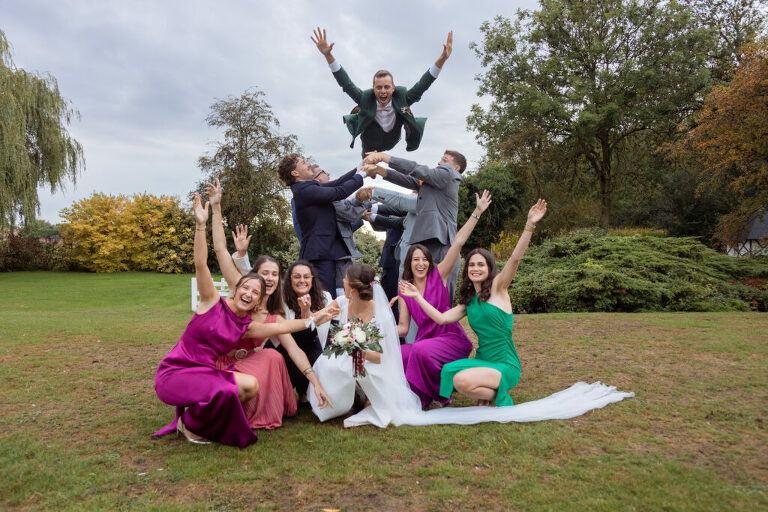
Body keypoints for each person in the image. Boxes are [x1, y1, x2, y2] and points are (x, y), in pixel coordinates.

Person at [152, 191, 338, 448]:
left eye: (273, 276)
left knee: (265, 365)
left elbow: (286, 330)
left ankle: (211, 418)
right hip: (188, 369)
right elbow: (207, 260)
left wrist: (314, 323)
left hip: (218, 371)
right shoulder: (214, 301)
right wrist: (206, 219)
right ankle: (193, 420)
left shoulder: (251, 324)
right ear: (238, 286)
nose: (255, 289)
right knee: (241, 377)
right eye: (260, 277)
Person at [209, 180, 336, 428]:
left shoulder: (275, 314)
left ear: (279, 280)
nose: (269, 278)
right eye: (264, 273)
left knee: (271, 355)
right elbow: (220, 250)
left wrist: (316, 383)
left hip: (247, 364)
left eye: (274, 274)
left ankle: (262, 401)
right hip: (219, 362)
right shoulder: (241, 289)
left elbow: (294, 350)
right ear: (255, 274)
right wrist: (215, 209)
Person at [399, 200, 548, 407]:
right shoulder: (468, 302)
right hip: (482, 359)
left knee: (460, 380)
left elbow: (514, 260)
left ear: (489, 268)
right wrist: (417, 297)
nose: (475, 268)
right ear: (467, 270)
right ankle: (488, 394)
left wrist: (529, 225)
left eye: (481, 265)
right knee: (450, 373)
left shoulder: (499, 287)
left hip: (505, 362)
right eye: (471, 265)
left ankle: (497, 396)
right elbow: (441, 318)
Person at [394, 190, 492, 408]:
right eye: (415, 260)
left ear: (430, 262)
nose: (420, 264)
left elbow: (457, 243)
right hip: (424, 340)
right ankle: (421, 397)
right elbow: (402, 328)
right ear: (409, 263)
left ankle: (441, 395)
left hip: (450, 339)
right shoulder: (405, 290)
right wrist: (379, 331)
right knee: (401, 352)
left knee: (419, 351)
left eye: (424, 260)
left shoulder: (439, 275)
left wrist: (477, 212)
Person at [312, 27, 452, 155]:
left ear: (393, 88)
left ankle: (406, 127)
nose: (383, 91)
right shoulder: (365, 98)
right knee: (368, 172)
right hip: (369, 144)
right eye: (379, 87)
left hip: (391, 141)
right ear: (374, 89)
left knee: (409, 115)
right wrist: (328, 56)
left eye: (386, 87)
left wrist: (442, 59)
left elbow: (424, 84)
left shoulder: (402, 97)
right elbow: (345, 83)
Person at [364, 149, 466, 299]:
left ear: (456, 169)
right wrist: (381, 171)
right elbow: (410, 180)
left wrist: (383, 157)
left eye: (444, 160)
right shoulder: (435, 185)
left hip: (444, 250)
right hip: (431, 248)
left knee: (439, 303)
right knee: (415, 302)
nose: (439, 162)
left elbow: (417, 169)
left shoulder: (450, 176)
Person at [277, 153, 365, 298]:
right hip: (318, 255)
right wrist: (362, 175)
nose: (308, 164)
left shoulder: (308, 187)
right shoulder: (304, 191)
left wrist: (359, 168)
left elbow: (336, 183)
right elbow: (339, 192)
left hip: (325, 252)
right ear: (295, 173)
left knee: (330, 296)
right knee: (324, 297)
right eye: (303, 162)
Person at [274, 260, 335, 405]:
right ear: (290, 279)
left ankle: (304, 392)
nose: (302, 280)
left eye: (306, 277)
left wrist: (306, 312)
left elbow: (311, 329)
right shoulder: (280, 298)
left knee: (318, 360)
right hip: (286, 343)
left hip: (312, 342)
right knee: (287, 362)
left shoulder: (325, 297)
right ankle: (286, 392)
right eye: (297, 276)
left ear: (312, 279)